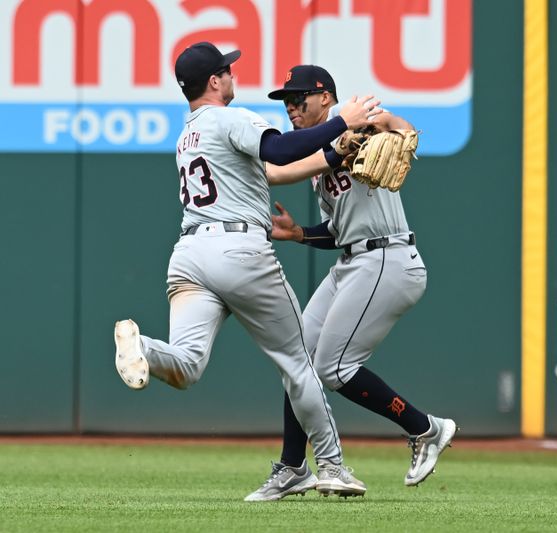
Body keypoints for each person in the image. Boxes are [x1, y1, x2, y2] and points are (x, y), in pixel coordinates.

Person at [113, 43, 382, 502]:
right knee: (298, 363)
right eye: (227, 70)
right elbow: (278, 150)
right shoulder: (230, 119)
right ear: (214, 82)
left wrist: (335, 154)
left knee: (186, 364)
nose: (232, 75)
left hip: (190, 255)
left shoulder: (189, 135)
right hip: (238, 251)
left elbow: (275, 172)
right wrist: (343, 121)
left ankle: (145, 349)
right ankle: (332, 468)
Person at [254, 65, 457, 501]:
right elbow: (338, 231)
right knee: (298, 357)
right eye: (285, 101)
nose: (291, 106)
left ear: (325, 97)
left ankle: (425, 428)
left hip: (388, 256)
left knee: (334, 367)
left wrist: (387, 125)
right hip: (355, 260)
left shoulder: (357, 125)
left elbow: (400, 129)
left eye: (299, 97)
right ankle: (293, 466)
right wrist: (298, 234)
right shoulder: (317, 156)